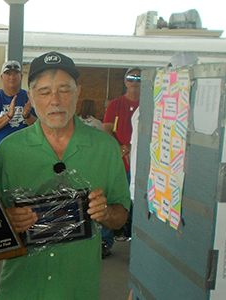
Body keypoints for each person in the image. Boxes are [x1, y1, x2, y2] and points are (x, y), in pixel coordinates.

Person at [0, 51, 130, 300]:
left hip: (77, 291)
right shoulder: (9, 150)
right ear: (30, 97)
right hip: (20, 290)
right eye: (44, 92)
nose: (55, 100)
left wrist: (106, 213)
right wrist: (6, 221)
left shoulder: (105, 148)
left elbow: (120, 219)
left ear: (78, 91)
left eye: (64, 89)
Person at [101, 67, 141, 253]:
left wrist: (134, 148)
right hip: (120, 163)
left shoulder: (149, 105)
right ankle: (105, 241)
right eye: (131, 77)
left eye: (138, 78)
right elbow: (107, 128)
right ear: (125, 81)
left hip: (141, 165)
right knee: (112, 200)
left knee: (140, 204)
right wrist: (122, 147)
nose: (134, 81)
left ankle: (139, 245)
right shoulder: (115, 104)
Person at [0, 60, 37, 167]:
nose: (12, 77)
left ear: (21, 76)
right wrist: (8, 116)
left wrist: (27, 116)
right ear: (2, 77)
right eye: (8, 74)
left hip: (25, 159)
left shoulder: (29, 98)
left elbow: (41, 127)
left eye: (15, 73)